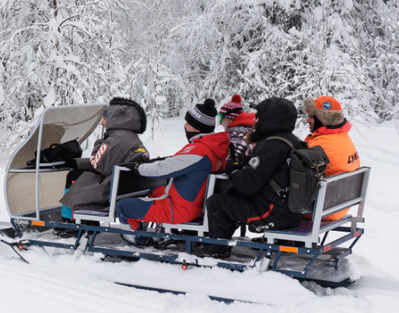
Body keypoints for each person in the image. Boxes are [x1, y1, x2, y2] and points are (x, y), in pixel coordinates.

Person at [196, 97, 302, 259]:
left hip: (272, 214)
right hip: (290, 212)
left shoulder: (271, 146)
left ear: (269, 119)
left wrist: (233, 169)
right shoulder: (293, 141)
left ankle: (217, 248)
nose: (255, 119)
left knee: (216, 202)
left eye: (258, 116)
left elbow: (246, 185)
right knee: (232, 195)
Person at [114, 99, 229, 236]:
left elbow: (163, 169)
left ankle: (137, 239)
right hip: (196, 204)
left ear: (197, 128)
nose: (185, 126)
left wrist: (138, 168)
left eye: (188, 123)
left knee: (122, 206)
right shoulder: (213, 147)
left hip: (180, 209)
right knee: (154, 191)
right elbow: (178, 163)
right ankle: (162, 227)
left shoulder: (199, 151)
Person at [59, 98, 149, 220]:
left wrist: (100, 141)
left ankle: (70, 220)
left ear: (115, 120)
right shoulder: (130, 137)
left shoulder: (114, 140)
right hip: (127, 188)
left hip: (110, 191)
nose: (102, 123)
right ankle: (84, 221)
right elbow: (108, 162)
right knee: (78, 171)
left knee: (74, 175)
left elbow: (97, 164)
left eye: (104, 119)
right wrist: (76, 162)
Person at [303, 96, 360, 221]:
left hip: (323, 209)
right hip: (340, 204)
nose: (307, 121)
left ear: (322, 119)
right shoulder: (341, 136)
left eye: (311, 117)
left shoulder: (320, 145)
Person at [217, 94, 256, 166]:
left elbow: (230, 162)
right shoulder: (246, 129)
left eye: (221, 118)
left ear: (231, 118)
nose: (221, 123)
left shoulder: (239, 134)